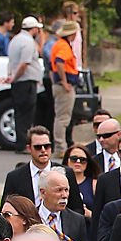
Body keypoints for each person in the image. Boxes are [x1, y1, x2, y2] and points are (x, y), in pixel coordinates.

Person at [7, 16, 44, 151]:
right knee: (27, 114)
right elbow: (24, 64)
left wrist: (11, 76)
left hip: (18, 82)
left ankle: (20, 142)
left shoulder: (15, 40)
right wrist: (16, 77)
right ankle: (24, 144)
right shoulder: (28, 42)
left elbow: (11, 62)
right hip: (26, 81)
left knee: (19, 113)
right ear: (33, 29)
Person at [49, 21, 80, 155]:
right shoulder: (64, 47)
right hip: (64, 86)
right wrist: (64, 81)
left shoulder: (58, 44)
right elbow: (59, 62)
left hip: (58, 84)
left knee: (60, 116)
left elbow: (52, 67)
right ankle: (60, 147)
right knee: (63, 118)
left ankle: (60, 145)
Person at [62, 144, 99, 220]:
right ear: (67, 160)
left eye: (82, 159)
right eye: (74, 159)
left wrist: (90, 214)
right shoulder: (60, 183)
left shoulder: (94, 184)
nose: (78, 162)